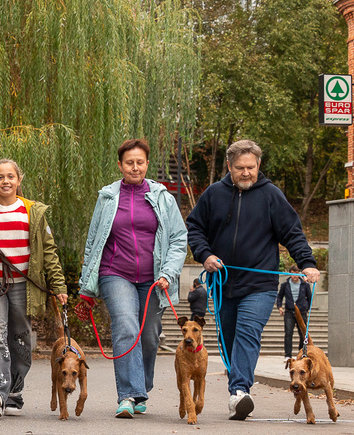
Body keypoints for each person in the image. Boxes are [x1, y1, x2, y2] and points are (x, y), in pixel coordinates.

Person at [185, 139, 319, 420]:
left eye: (251, 167)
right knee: (231, 339)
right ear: (229, 166)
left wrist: (307, 263)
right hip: (222, 283)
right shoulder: (214, 194)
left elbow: (292, 233)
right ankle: (238, 392)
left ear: (259, 165)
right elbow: (195, 228)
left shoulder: (271, 195)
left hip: (259, 285)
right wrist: (205, 255)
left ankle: (239, 392)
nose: (246, 173)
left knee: (248, 333)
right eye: (239, 168)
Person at [77, 139, 188, 418]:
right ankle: (128, 394)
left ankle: (141, 385)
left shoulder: (163, 197)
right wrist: (86, 286)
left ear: (147, 164)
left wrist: (167, 272)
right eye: (129, 162)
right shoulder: (107, 198)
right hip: (115, 273)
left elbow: (178, 240)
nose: (135, 167)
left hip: (154, 278)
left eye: (140, 162)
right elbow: (93, 242)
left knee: (149, 336)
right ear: (120, 165)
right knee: (126, 326)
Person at [0, 159, 67, 418]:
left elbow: (49, 253)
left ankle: (14, 391)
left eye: (11, 176)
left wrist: (59, 286)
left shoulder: (33, 212)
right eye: (0, 177)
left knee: (19, 336)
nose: (6, 181)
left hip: (24, 285)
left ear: (19, 180)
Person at [277, 265, 312, 361]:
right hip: (289, 312)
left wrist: (306, 308)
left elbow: (309, 298)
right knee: (288, 333)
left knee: (303, 334)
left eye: (296, 273)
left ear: (299, 274)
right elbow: (279, 296)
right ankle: (288, 355)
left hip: (302, 312)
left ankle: (302, 353)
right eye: (292, 273)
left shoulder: (305, 285)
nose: (294, 276)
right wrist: (280, 307)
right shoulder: (285, 284)